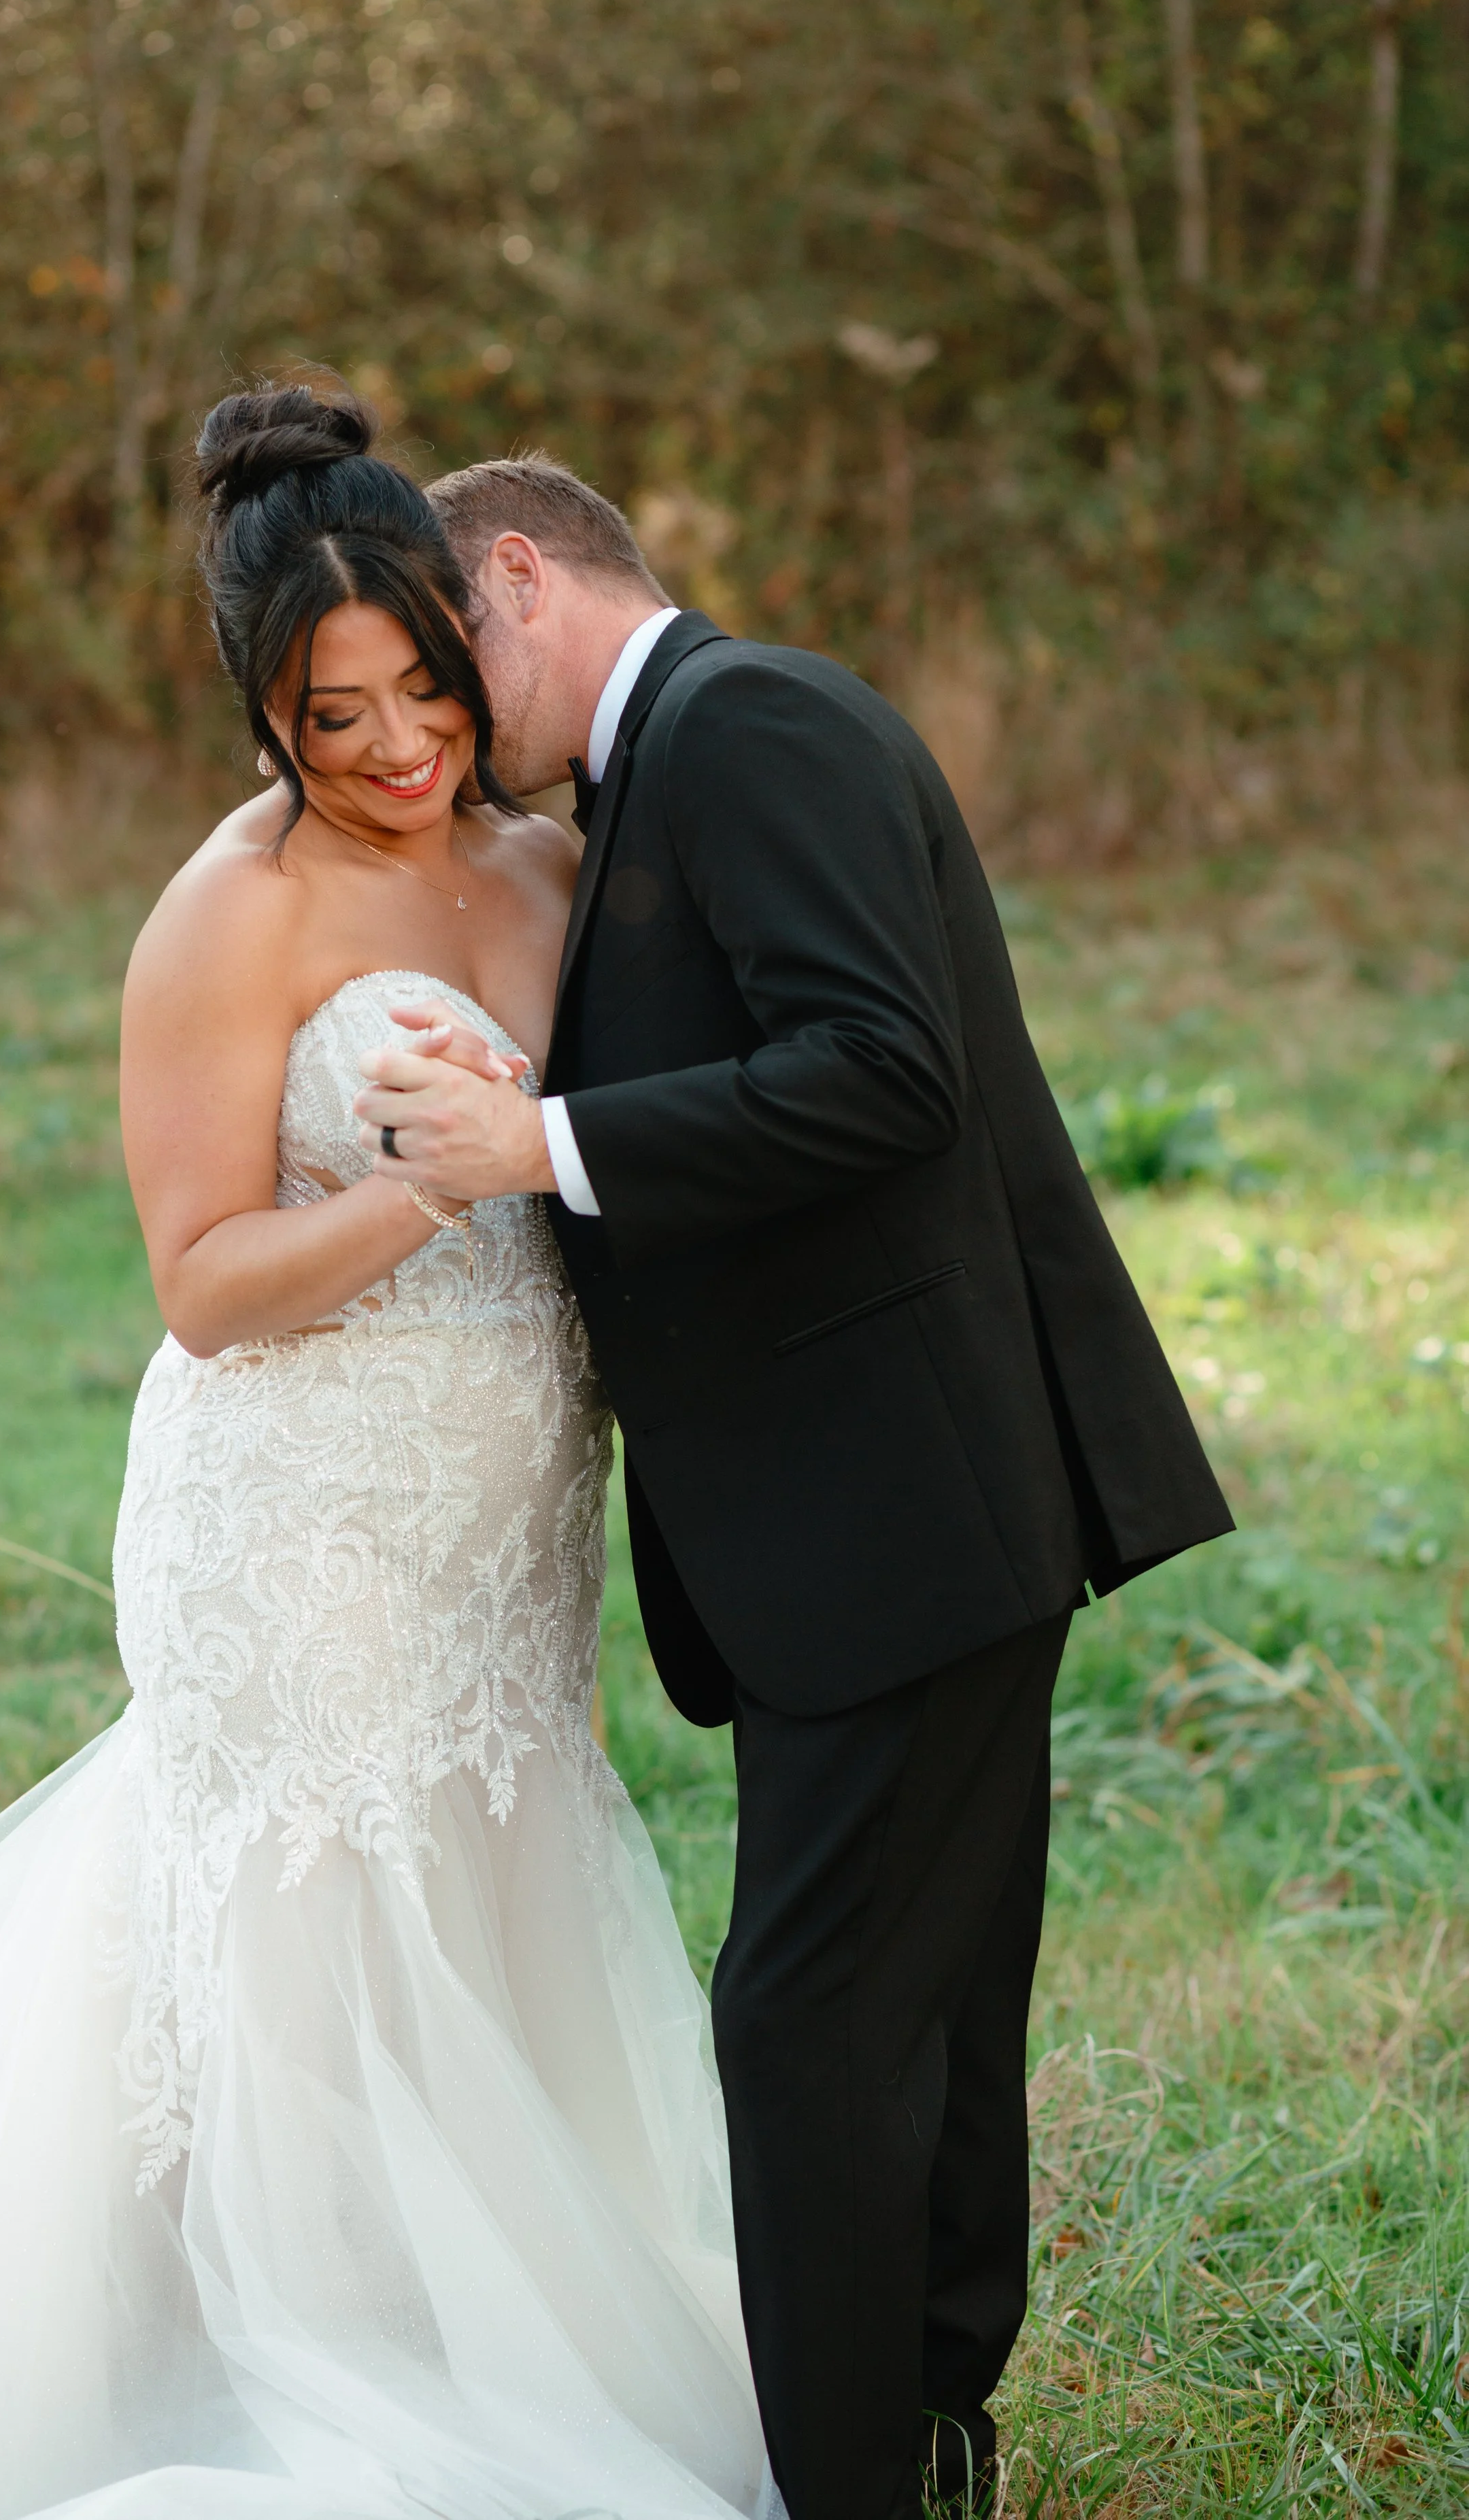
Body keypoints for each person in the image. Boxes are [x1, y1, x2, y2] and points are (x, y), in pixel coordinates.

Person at [0, 388, 775, 2520]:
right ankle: (273, 2338)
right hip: (295, 1513)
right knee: (317, 1920)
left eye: (425, 686)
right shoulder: (238, 912)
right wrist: (427, 1185)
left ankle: (485, 2312)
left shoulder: (549, 852)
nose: (403, 748)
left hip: (509, 1529)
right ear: (263, 716)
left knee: (490, 1886)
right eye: (338, 719)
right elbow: (203, 1283)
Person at [353, 453, 1235, 2520]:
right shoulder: (678, 766)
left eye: (453, 673)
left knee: (810, 2017)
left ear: (514, 574)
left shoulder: (746, 726)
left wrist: (543, 1147)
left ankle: (856, 2478)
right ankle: (926, 2440)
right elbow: (764, 1050)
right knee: (915, 1992)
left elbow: (884, 1067)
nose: (455, 735)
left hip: (900, 1506)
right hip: (879, 1509)